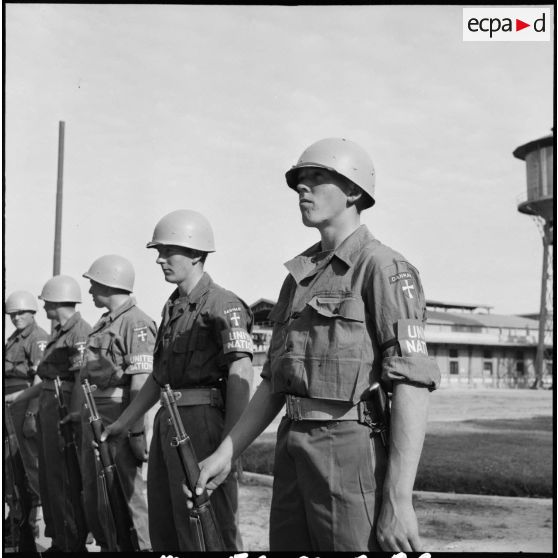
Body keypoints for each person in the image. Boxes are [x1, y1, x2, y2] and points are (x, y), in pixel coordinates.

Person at [191, 138, 441, 552]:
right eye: (299, 181)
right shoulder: (298, 278)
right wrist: (226, 453)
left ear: (354, 191)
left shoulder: (383, 268)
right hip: (293, 444)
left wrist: (398, 498)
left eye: (317, 177)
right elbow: (273, 382)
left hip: (348, 445)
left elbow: (411, 384)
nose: (302, 188)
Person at [101, 209, 254, 551]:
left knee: (207, 525)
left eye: (169, 251)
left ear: (197, 254)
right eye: (159, 251)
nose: (160, 259)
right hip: (169, 421)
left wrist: (230, 448)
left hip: (204, 422)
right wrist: (124, 423)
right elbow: (159, 377)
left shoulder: (223, 305)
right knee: (166, 524)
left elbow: (241, 373)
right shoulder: (172, 309)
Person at [78, 254, 155, 551]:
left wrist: (135, 432)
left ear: (110, 283)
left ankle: (145, 548)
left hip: (120, 414)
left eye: (94, 284)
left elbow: (140, 382)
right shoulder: (105, 323)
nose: (90, 291)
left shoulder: (136, 323)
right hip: (97, 415)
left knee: (129, 493)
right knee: (100, 494)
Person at [15, 275, 92, 552]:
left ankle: (71, 541)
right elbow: (46, 379)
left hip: (63, 405)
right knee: (49, 479)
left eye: (46, 300)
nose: (43, 304)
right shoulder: (59, 332)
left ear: (56, 300)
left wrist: (72, 414)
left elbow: (81, 376)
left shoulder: (79, 332)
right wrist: (20, 398)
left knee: (64, 478)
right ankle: (59, 539)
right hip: (50, 402)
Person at [4, 290, 49, 545]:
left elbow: (40, 379)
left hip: (23, 405)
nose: (16, 317)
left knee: (28, 466)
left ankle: (29, 526)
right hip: (10, 406)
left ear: (33, 312)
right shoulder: (13, 339)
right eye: (12, 314)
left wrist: (31, 413)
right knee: (11, 468)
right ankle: (16, 522)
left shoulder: (38, 338)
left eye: (21, 312)